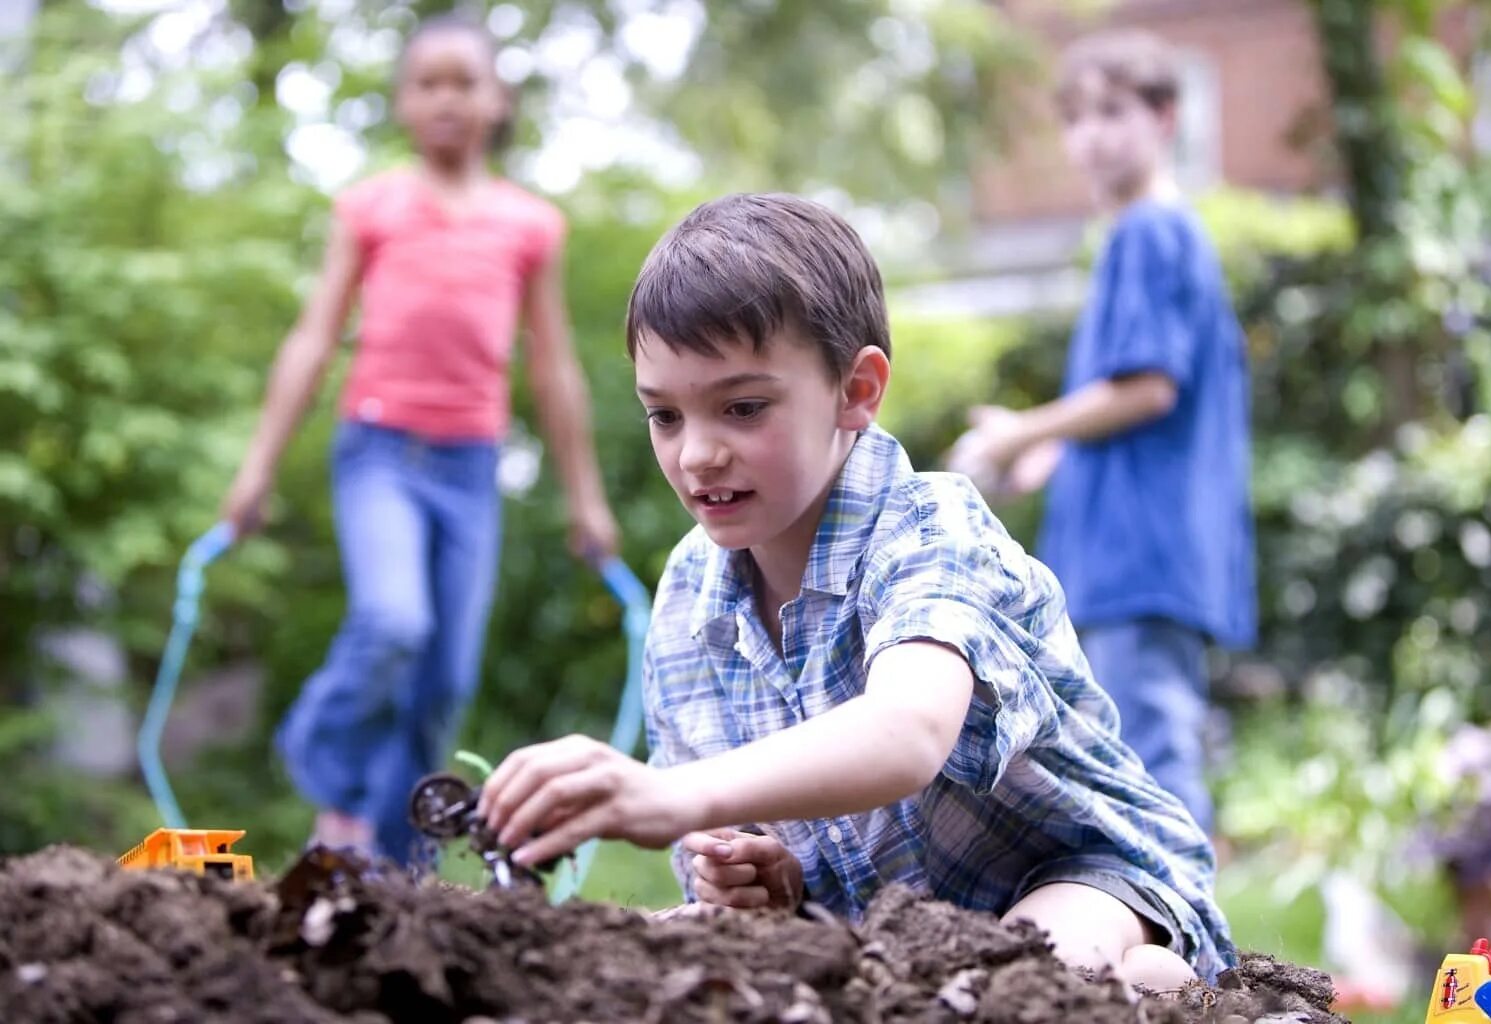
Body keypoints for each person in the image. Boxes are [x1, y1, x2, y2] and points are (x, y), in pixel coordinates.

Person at [475, 193, 1236, 988]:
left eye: (742, 407)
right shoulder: (688, 600)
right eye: (665, 416)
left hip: (1084, 873)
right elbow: (736, 854)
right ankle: (1144, 992)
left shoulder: (928, 528)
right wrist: (764, 881)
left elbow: (906, 732)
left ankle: (1166, 989)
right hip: (891, 941)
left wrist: (667, 795)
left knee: (1025, 976)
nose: (697, 454)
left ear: (856, 391)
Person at [221, 13, 618, 863]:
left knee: (444, 684)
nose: (447, 99)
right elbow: (312, 340)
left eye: (465, 81)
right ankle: (325, 769)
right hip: (379, 454)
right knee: (393, 622)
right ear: (404, 101)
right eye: (429, 82)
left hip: (471, 468)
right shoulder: (370, 207)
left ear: (496, 99)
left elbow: (553, 369)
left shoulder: (528, 224)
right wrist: (255, 471)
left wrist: (586, 499)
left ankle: (395, 869)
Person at [947, 30, 1256, 834]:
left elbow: (1148, 388)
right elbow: (1125, 397)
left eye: (1114, 112)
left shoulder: (1151, 232)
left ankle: (1194, 952)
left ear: (1166, 117)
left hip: (1142, 552)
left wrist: (1016, 434)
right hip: (1134, 549)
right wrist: (1049, 450)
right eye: (1076, 118)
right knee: (1135, 754)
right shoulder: (1146, 237)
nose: (1092, 136)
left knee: (1150, 757)